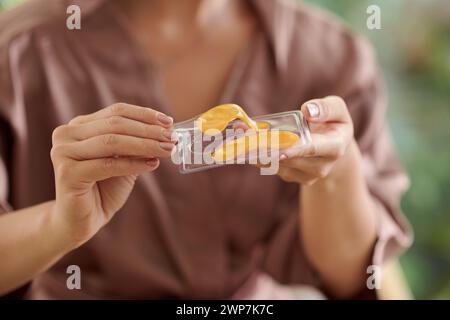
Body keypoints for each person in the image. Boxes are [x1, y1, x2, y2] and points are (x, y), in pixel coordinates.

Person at [0, 0, 412, 299]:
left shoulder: (334, 58)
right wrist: (59, 225)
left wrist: (336, 174)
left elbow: (353, 281)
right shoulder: (19, 49)